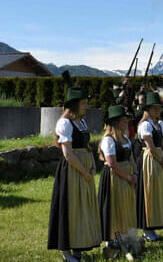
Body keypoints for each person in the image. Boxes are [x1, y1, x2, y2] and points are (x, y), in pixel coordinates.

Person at [48, 87, 101, 262]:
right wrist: (85, 172)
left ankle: (79, 245)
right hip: (72, 171)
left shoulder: (81, 122)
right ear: (74, 105)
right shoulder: (64, 123)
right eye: (83, 103)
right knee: (69, 208)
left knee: (82, 208)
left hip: (85, 170)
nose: (86, 106)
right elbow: (68, 154)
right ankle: (66, 251)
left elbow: (87, 146)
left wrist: (92, 165)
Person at [98, 105, 144, 256]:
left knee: (127, 206)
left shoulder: (125, 139)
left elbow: (130, 157)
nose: (127, 123)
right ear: (117, 123)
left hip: (127, 178)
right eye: (124, 121)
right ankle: (112, 241)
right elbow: (112, 163)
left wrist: (136, 172)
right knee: (115, 207)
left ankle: (126, 237)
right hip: (115, 178)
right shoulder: (108, 140)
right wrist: (129, 177)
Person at [136, 91, 163, 242]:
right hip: (149, 160)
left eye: (159, 107)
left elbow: (162, 142)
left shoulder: (159, 124)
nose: (157, 110)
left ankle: (154, 225)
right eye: (154, 108)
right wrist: (161, 159)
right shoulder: (145, 125)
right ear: (147, 109)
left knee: (157, 193)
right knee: (148, 193)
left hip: (159, 159)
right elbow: (150, 146)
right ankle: (147, 227)